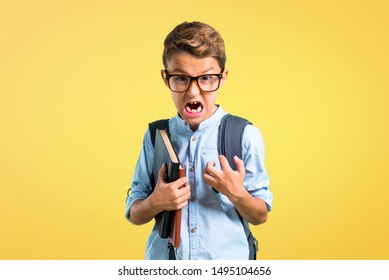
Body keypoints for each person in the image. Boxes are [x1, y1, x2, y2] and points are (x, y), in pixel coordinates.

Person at [125, 21, 273, 260]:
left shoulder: (245, 135)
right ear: (166, 78)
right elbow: (134, 214)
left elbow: (260, 215)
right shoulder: (155, 136)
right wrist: (156, 201)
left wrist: (237, 194)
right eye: (181, 78)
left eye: (206, 78)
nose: (193, 92)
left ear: (222, 77)